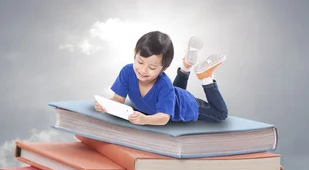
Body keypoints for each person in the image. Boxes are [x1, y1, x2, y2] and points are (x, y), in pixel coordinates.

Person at [94, 31, 228, 125]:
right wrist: (106, 105)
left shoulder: (164, 85)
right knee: (172, 92)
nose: (143, 70)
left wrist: (145, 119)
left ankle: (206, 77)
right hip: (172, 95)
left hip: (187, 104)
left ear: (164, 69)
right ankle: (187, 65)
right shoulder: (127, 71)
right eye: (140, 62)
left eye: (152, 68)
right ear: (135, 53)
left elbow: (164, 118)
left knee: (221, 114)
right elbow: (118, 99)